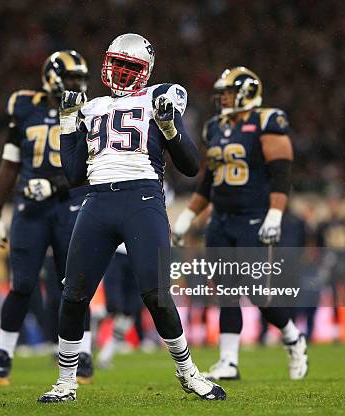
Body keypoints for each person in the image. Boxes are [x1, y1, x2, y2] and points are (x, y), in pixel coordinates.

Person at [37, 33, 226, 403]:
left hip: (142, 197)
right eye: (118, 64)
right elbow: (74, 173)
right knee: (73, 294)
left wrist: (170, 129)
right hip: (97, 200)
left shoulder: (161, 95)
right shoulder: (90, 108)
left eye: (131, 67)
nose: (122, 73)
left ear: (146, 71)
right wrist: (66, 124)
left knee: (156, 294)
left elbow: (190, 165)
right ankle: (65, 382)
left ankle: (188, 372)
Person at [172, 67, 308, 381]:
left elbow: (281, 175)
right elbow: (210, 180)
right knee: (225, 290)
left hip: (253, 218)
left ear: (246, 92)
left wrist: (275, 214)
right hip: (220, 219)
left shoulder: (267, 121)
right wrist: (188, 216)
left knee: (256, 290)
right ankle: (228, 362)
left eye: (229, 92)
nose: (223, 98)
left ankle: (292, 336)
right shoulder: (215, 127)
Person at [0, 50, 94, 385]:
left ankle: (82, 353)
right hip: (30, 209)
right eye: (72, 78)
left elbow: (92, 164)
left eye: (80, 78)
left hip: (69, 207)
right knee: (22, 285)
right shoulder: (24, 104)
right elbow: (10, 160)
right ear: (53, 76)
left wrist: (54, 185)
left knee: (74, 286)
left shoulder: (89, 111)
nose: (77, 85)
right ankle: (3, 354)